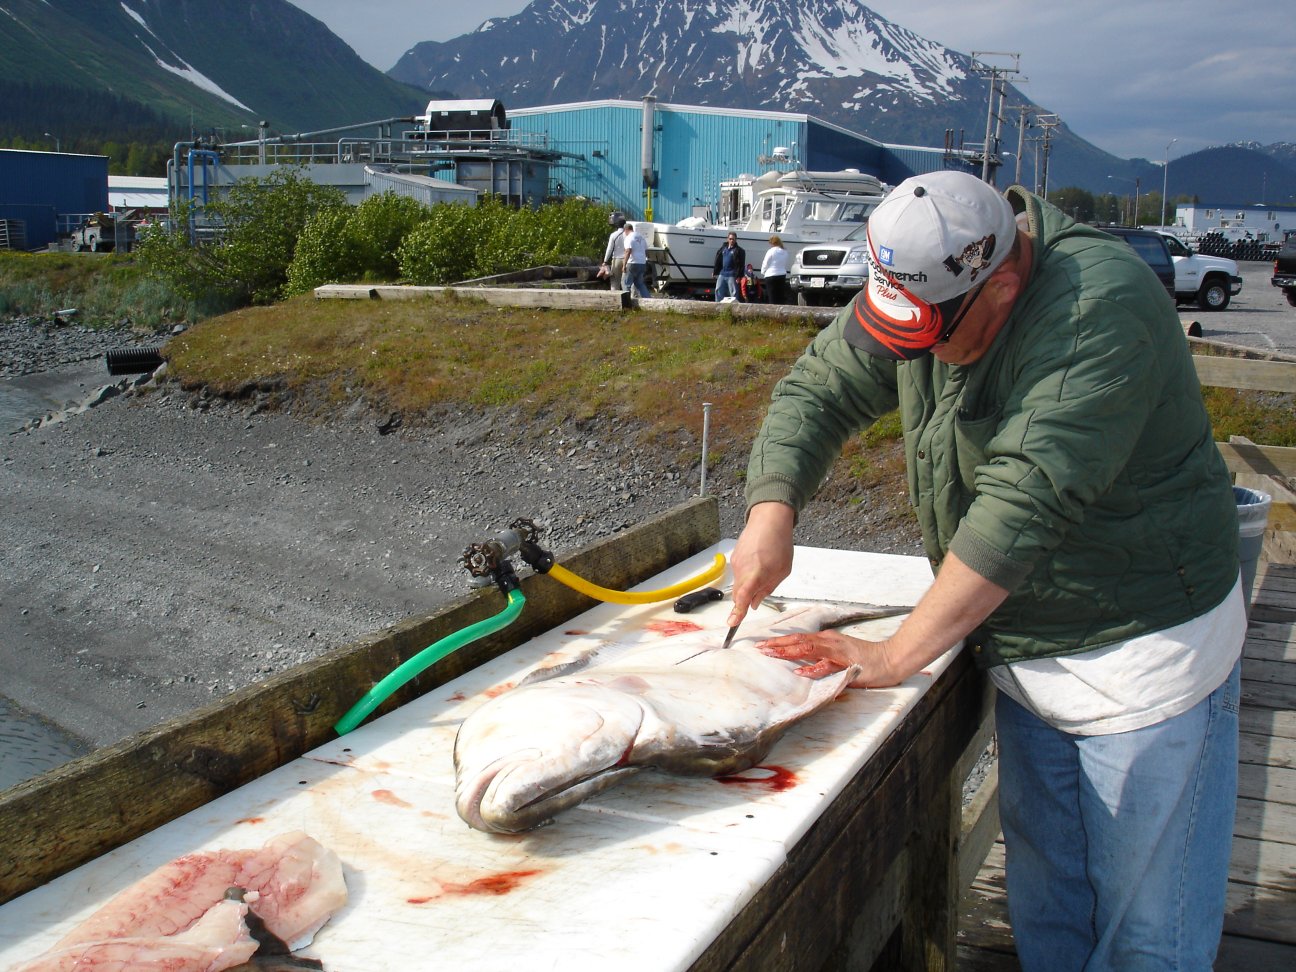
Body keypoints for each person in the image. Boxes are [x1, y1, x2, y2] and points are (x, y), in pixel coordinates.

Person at [727, 170, 1244, 972]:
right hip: (1028, 643)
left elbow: (1021, 507)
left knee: (1149, 936)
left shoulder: (1096, 312)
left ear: (1001, 284)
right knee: (1051, 909)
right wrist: (772, 512)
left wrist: (895, 656)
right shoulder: (935, 287)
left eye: (932, 335)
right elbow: (823, 387)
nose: (919, 352)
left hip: (1145, 654)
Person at [622, 222, 652, 298]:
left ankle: (626, 302)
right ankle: (648, 300)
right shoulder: (641, 237)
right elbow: (646, 251)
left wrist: (624, 265)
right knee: (640, 284)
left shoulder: (628, 238)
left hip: (632, 263)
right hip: (642, 263)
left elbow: (628, 251)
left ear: (625, 230)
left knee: (625, 283)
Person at [713, 232, 745, 301]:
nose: (732, 241)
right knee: (718, 291)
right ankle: (718, 308)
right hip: (722, 273)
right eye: (730, 239)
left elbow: (741, 264)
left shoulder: (739, 250)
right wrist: (715, 271)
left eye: (733, 239)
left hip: (732, 275)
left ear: (736, 240)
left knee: (734, 293)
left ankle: (735, 309)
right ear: (727, 239)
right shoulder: (723, 248)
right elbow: (717, 260)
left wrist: (739, 276)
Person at [760, 234, 790, 304]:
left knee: (772, 297)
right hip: (782, 275)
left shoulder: (771, 251)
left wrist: (763, 271)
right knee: (780, 297)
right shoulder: (785, 252)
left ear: (773, 243)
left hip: (771, 276)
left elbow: (766, 262)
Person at [602, 212, 627, 290]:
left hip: (616, 259)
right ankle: (630, 297)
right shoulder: (629, 234)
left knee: (615, 281)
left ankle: (614, 296)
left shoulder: (613, 235)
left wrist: (605, 261)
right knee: (626, 281)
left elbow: (609, 249)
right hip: (627, 259)